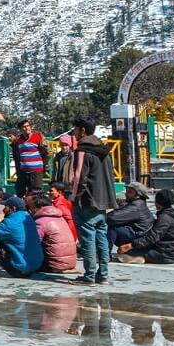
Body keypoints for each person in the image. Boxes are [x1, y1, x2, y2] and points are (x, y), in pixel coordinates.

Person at [70, 118, 116, 285]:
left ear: (83, 131)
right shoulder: (103, 150)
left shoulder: (82, 151)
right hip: (103, 201)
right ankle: (102, 274)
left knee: (87, 238)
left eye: (75, 130)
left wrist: (73, 198)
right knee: (101, 237)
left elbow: (78, 178)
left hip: (87, 201)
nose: (74, 133)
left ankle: (89, 275)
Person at [118, 189, 174, 265]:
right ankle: (142, 257)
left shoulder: (164, 218)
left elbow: (152, 237)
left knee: (127, 252)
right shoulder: (170, 214)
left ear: (157, 202)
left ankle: (141, 257)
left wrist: (131, 245)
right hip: (171, 252)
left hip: (166, 255)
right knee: (137, 247)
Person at [32, 192, 78, 272]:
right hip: (71, 263)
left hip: (54, 265)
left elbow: (35, 243)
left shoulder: (40, 221)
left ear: (39, 207)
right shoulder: (60, 218)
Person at [108, 182, 155, 253]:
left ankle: (104, 254)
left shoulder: (136, 206)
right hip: (137, 234)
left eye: (129, 192)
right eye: (126, 191)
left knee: (113, 227)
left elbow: (113, 217)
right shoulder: (138, 204)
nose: (126, 194)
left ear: (138, 195)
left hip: (138, 236)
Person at [10, 120, 49, 197]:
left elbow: (46, 153)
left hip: (36, 171)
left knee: (36, 194)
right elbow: (16, 155)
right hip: (23, 172)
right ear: (21, 129)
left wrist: (45, 165)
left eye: (28, 126)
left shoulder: (37, 137)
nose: (26, 128)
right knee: (20, 191)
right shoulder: (18, 141)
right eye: (24, 127)